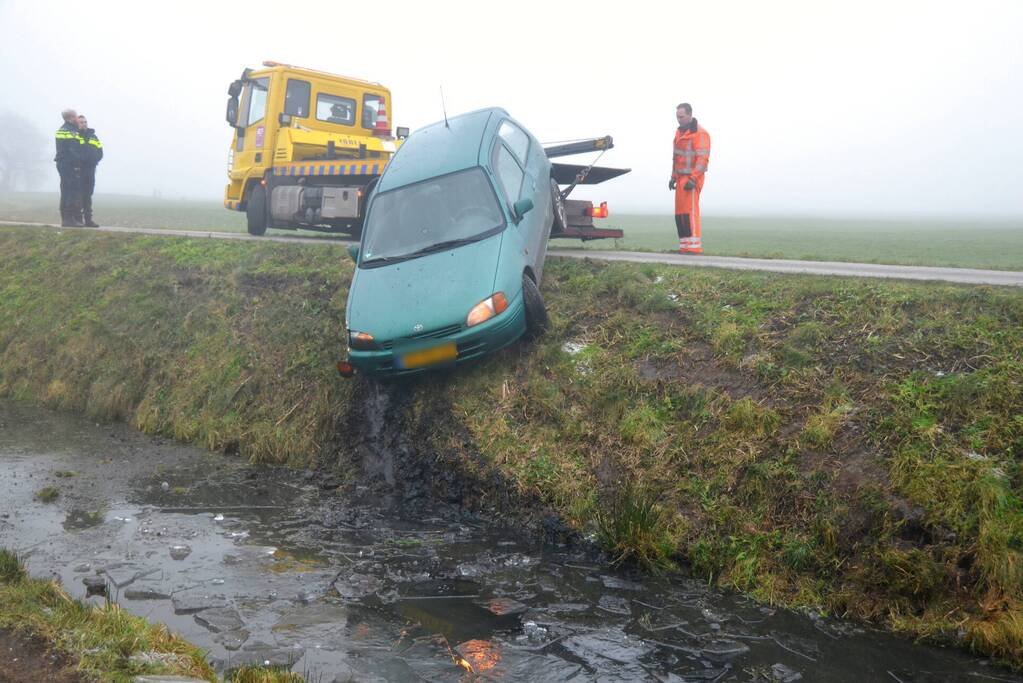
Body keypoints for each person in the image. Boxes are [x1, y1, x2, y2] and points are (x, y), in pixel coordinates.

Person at [669, 103, 711, 253]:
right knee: (681, 214)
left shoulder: (700, 133)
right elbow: (676, 158)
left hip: (692, 179)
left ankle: (693, 248)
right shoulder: (679, 133)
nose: (679, 120)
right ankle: (685, 246)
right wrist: (673, 177)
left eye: (681, 117)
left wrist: (693, 179)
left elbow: (702, 159)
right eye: (677, 117)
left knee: (691, 213)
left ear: (689, 114)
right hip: (681, 178)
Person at [54, 108, 85, 227]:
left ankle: (66, 218)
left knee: (66, 190)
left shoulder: (62, 130)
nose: (77, 118)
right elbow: (73, 149)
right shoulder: (71, 131)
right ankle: (69, 219)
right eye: (76, 116)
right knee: (71, 190)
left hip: (63, 163)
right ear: (71, 118)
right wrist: (78, 164)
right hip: (69, 164)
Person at [77, 114, 103, 227]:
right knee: (79, 195)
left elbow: (100, 152)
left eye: (85, 122)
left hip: (91, 169)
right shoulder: (75, 136)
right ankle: (78, 219)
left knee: (88, 194)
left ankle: (88, 220)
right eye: (81, 122)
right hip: (79, 170)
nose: (84, 124)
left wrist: (94, 161)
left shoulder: (93, 136)